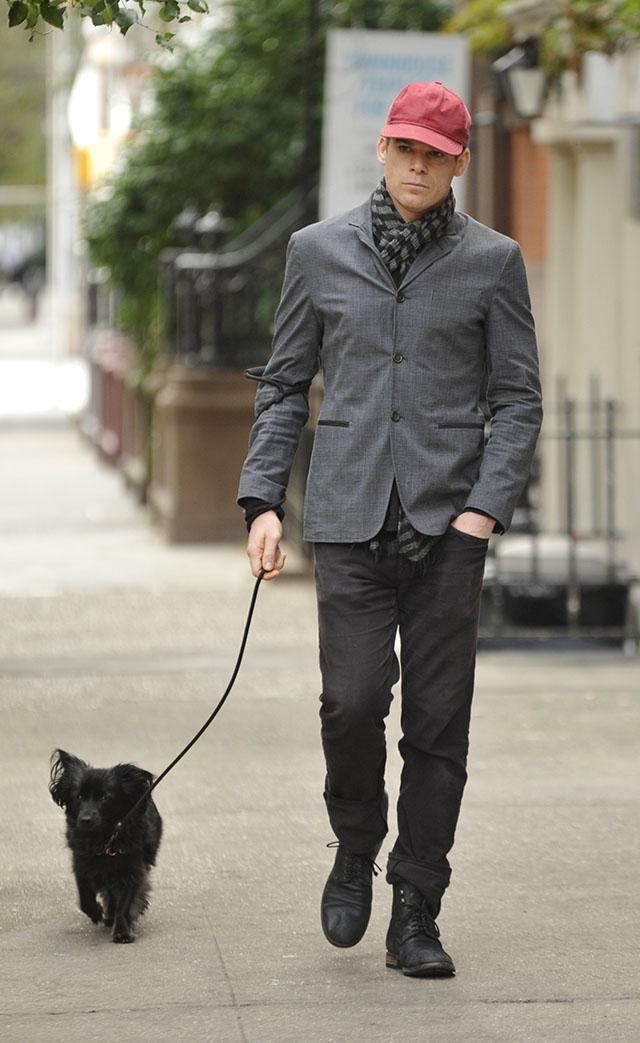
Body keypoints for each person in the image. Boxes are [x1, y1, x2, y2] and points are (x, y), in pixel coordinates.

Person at [237, 81, 542, 978]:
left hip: (451, 527)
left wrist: (485, 507)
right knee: (353, 701)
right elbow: (285, 381)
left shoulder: (494, 261)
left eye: (435, 153)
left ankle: (417, 906)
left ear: (459, 162)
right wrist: (261, 501)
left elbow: (518, 397)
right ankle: (353, 841)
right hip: (348, 517)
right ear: (383, 147)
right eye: (405, 147)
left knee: (440, 724)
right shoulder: (315, 252)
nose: (418, 164)